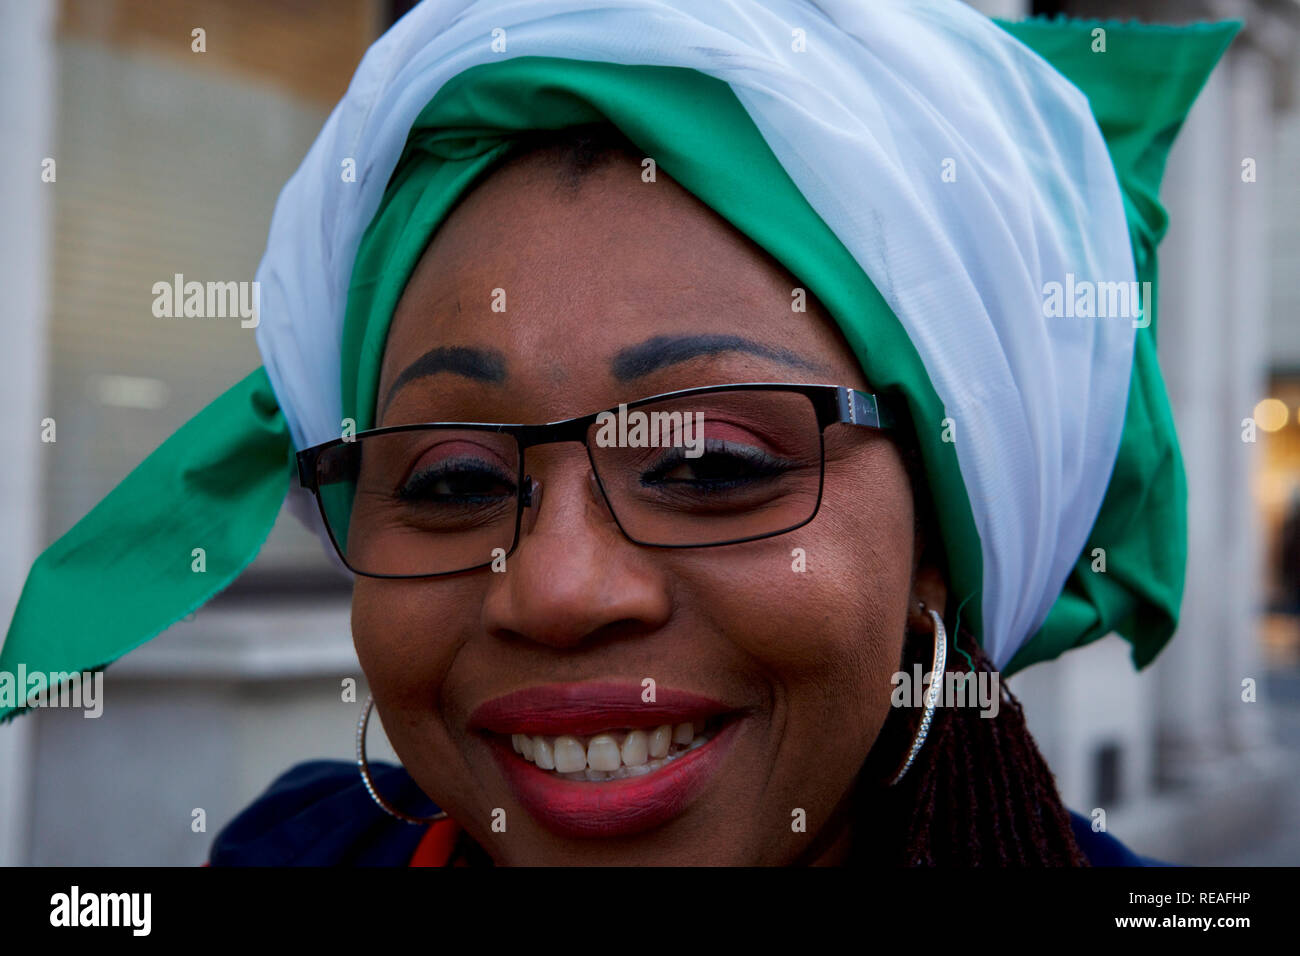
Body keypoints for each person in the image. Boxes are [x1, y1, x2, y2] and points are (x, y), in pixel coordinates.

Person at [1, 0, 1237, 866]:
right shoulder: (294, 853)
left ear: (939, 545)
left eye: (709, 462)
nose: (552, 585)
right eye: (450, 481)